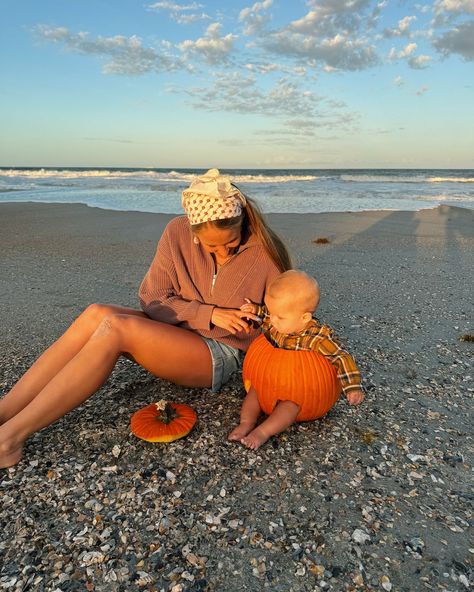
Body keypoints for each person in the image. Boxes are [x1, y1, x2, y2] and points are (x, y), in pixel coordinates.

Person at [0, 169, 291, 468]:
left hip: (220, 352)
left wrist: (258, 315)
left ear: (241, 223)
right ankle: (5, 411)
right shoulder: (176, 232)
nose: (223, 252)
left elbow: (287, 318)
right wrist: (210, 313)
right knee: (96, 313)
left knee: (116, 328)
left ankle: (9, 439)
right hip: (175, 329)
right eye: (211, 247)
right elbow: (153, 299)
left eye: (229, 243)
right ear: (193, 231)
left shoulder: (265, 253)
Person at [228, 270, 364, 450]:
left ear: (305, 317)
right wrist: (256, 310)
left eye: (279, 317)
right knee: (254, 392)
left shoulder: (318, 339)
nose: (272, 320)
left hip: (295, 393)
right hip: (267, 380)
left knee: (290, 408)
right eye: (271, 313)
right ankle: (246, 422)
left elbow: (341, 357)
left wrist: (352, 386)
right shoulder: (281, 320)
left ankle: (262, 432)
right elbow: (268, 316)